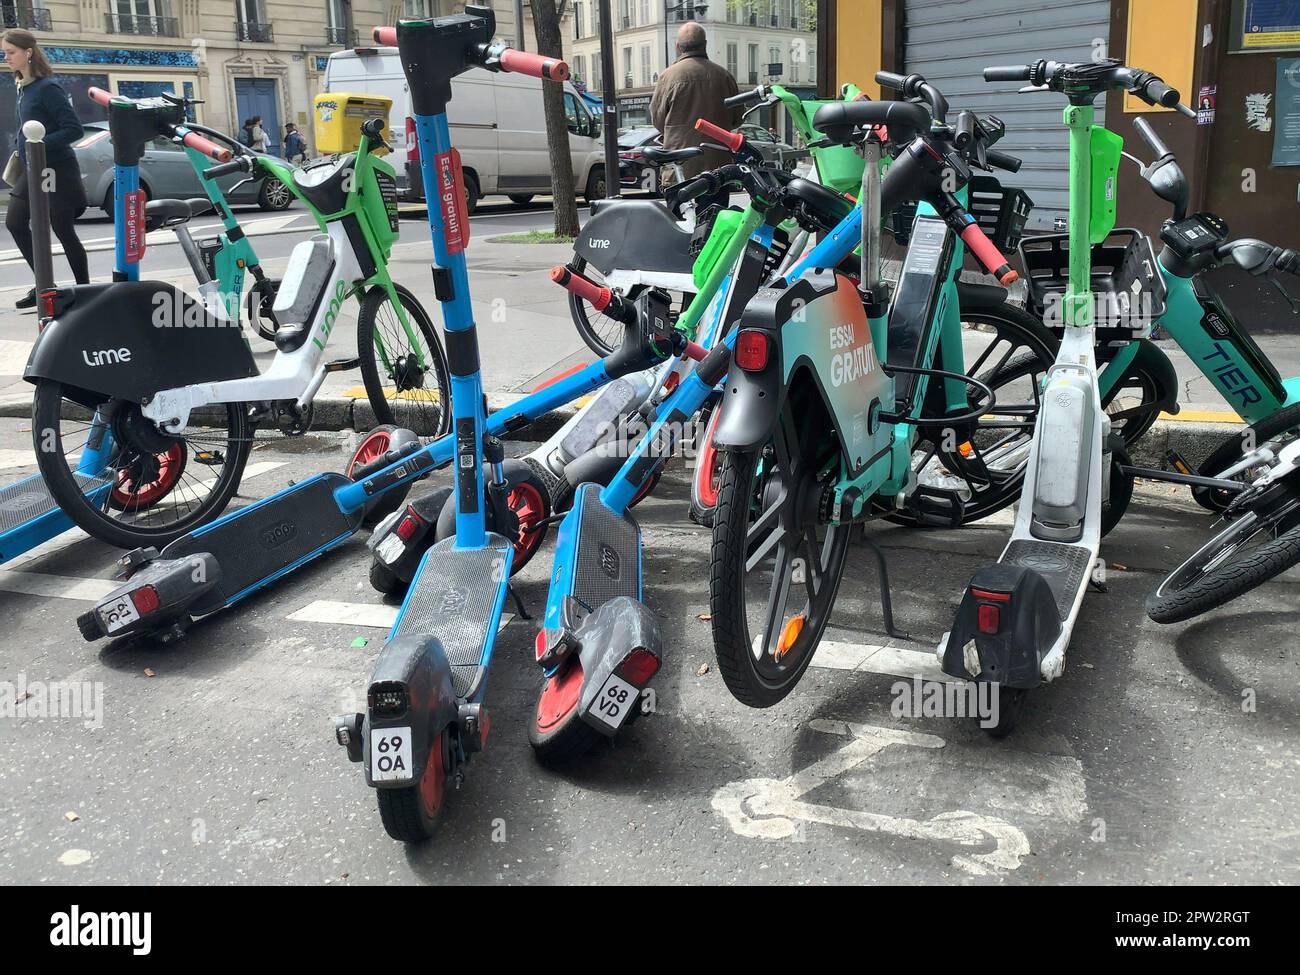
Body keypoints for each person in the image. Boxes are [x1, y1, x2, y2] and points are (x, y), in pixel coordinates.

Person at [3, 28, 88, 309]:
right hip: (33, 169)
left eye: (10, 52)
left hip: (57, 170)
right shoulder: (23, 87)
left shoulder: (47, 88)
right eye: (5, 52)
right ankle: (44, 286)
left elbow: (73, 129)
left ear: (28, 52)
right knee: (14, 222)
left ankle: (85, 291)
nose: (6, 58)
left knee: (62, 229)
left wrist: (36, 145)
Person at [649, 21, 740, 182]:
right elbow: (737, 118)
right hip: (718, 167)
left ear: (678, 47)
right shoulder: (724, 76)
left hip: (680, 169)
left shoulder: (668, 77)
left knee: (681, 207)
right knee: (716, 207)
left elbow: (658, 121)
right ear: (705, 45)